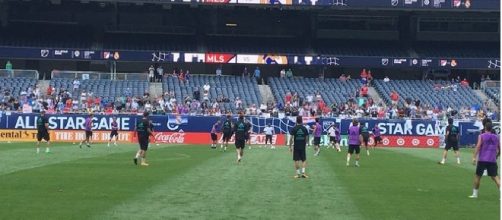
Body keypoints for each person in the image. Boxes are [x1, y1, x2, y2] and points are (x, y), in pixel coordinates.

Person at [469, 122, 500, 198]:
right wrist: (497, 155)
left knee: (478, 176)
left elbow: (478, 146)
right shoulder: (496, 137)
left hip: (482, 159)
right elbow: (499, 148)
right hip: (492, 160)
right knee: (495, 177)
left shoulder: (481, 136)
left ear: (485, 128)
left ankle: (475, 194)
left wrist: (474, 157)